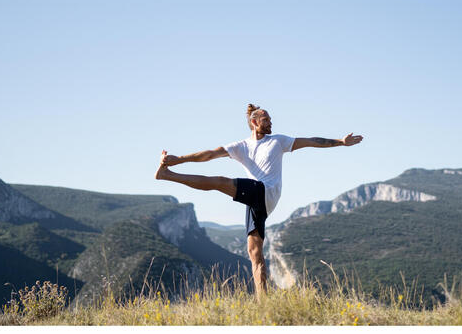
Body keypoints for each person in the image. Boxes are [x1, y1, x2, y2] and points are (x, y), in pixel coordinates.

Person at [155, 104, 363, 297]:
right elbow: (208, 155)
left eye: (270, 119)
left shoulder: (278, 141)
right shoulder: (241, 147)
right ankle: (263, 302)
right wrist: (179, 159)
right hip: (258, 202)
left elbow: (311, 141)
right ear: (254, 122)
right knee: (254, 253)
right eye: (266, 119)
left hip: (266, 191)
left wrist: (341, 142)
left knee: (219, 182)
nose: (271, 122)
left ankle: (168, 176)